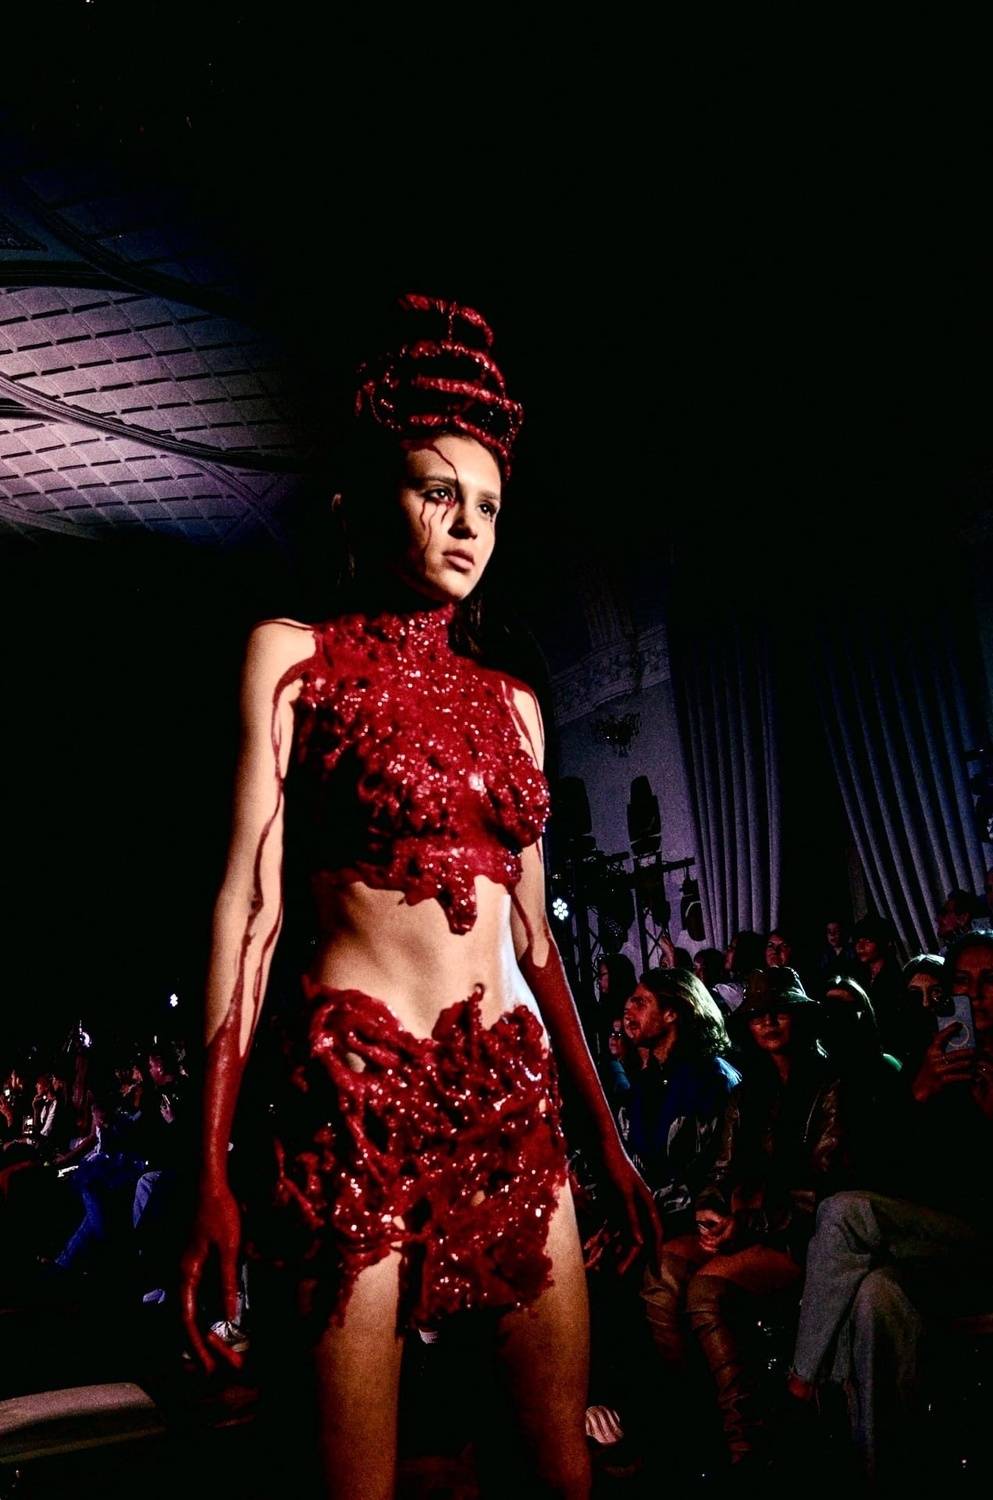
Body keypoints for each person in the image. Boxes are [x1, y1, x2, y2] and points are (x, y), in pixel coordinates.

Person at [179, 294, 659, 1500]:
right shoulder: (293, 658)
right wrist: (209, 1169)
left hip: (512, 1100)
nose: (466, 526)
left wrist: (606, 1138)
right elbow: (249, 910)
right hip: (356, 1099)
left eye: (486, 505)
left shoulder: (517, 704)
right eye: (437, 492)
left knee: (560, 1476)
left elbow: (536, 939)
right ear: (366, 497)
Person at [788, 933, 993, 1484]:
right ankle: (883, 1475)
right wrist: (919, 1094)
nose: (976, 995)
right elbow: (892, 1176)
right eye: (963, 983)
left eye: (989, 981)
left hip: (983, 1241)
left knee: (842, 1213)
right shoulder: (936, 1060)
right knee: (875, 1295)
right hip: (936, 1247)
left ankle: (800, 1387)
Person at [641, 967, 853, 1468]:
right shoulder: (748, 1090)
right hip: (748, 1222)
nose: (768, 1022)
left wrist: (749, 1224)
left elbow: (825, 1194)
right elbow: (720, 1169)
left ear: (800, 1016)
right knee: (663, 1269)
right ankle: (693, 1421)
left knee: (706, 1291)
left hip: (803, 1236)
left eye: (779, 1011)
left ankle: (747, 1444)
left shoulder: (830, 1084)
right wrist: (710, 1209)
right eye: (757, 1015)